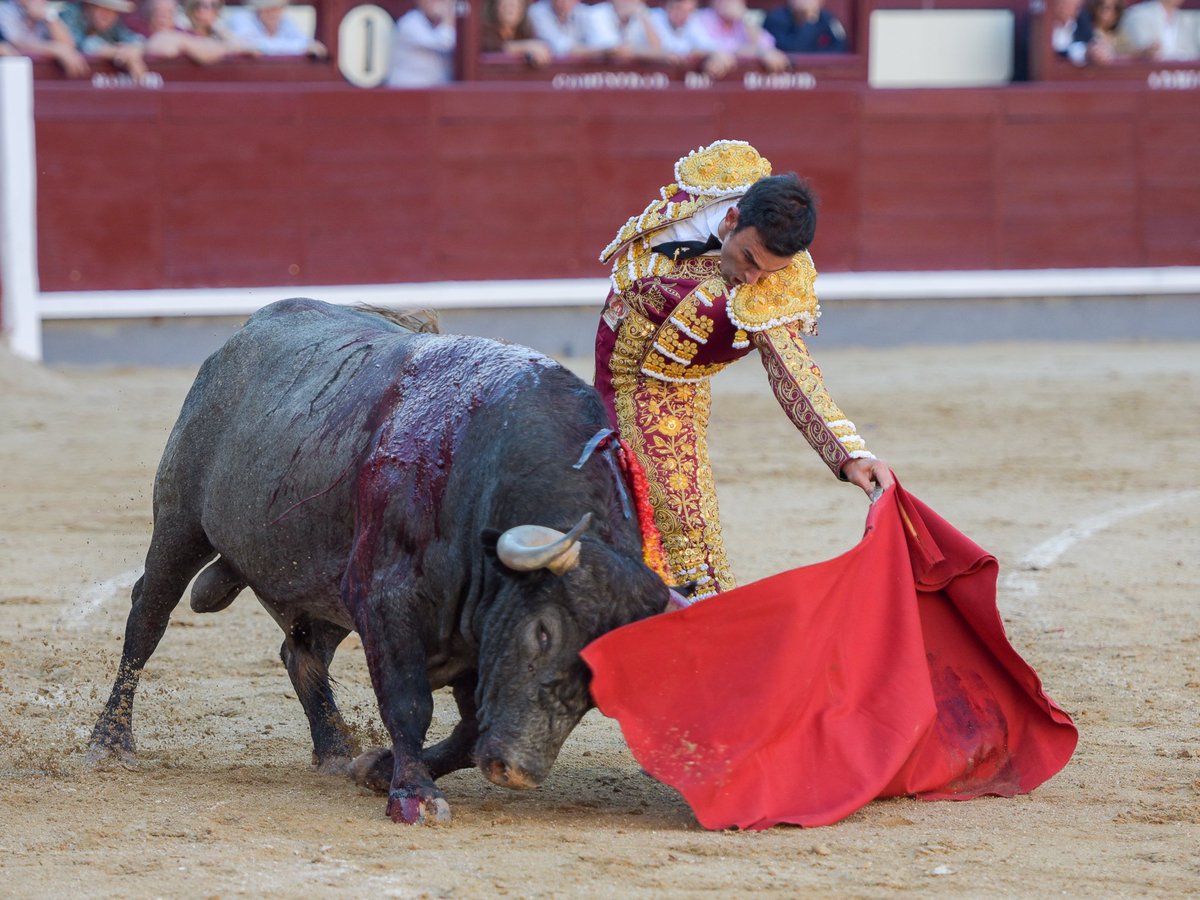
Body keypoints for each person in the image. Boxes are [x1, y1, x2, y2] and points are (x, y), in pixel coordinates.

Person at [594, 140, 892, 600]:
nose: (752, 279)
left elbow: (791, 369)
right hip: (614, 365)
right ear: (731, 219)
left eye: (768, 271)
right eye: (749, 260)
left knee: (688, 537)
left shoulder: (766, 288)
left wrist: (848, 453)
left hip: (664, 398)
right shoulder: (717, 185)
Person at [690, 0, 789, 75]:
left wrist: (745, 18)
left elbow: (768, 46)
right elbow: (704, 47)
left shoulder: (744, 20)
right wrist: (754, 51)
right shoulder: (699, 18)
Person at [60, 0, 147, 77]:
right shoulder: (71, 14)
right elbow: (81, 44)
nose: (107, 15)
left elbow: (137, 39)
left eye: (113, 10)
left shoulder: (114, 23)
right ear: (89, 7)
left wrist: (133, 51)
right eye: (102, 8)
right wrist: (118, 53)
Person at [386, 0, 454, 87]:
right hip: (406, 92)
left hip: (433, 94)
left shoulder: (438, 25)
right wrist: (448, 17)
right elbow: (445, 43)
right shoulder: (410, 22)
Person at [135, 0, 227, 63]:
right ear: (148, 15)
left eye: (169, 12)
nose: (163, 16)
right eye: (157, 11)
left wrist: (181, 42)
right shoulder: (136, 33)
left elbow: (214, 49)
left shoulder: (184, 33)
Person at [226, 0, 326, 57]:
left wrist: (307, 46)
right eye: (267, 7)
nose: (272, 12)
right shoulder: (241, 18)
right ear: (257, 8)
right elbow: (254, 44)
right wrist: (302, 47)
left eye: (277, 7)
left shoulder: (285, 21)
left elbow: (304, 41)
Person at [526, 0, 621, 58]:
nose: (561, 3)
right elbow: (562, 49)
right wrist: (602, 52)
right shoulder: (537, 12)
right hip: (544, 77)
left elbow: (607, 43)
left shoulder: (583, 12)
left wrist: (608, 50)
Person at [1118, 0, 1200, 59]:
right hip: (1148, 75)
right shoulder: (1138, 15)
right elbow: (1140, 49)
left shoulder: (1191, 19)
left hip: (1185, 78)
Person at [480, 0, 552, 65]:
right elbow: (498, 48)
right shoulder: (486, 31)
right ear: (496, 7)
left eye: (514, 5)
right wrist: (526, 47)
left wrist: (538, 54)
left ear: (522, 10)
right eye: (504, 5)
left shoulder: (524, 31)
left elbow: (540, 48)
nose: (509, 9)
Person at [762, 0, 848, 53]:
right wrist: (810, 20)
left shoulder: (828, 18)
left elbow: (841, 46)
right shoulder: (776, 19)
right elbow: (795, 51)